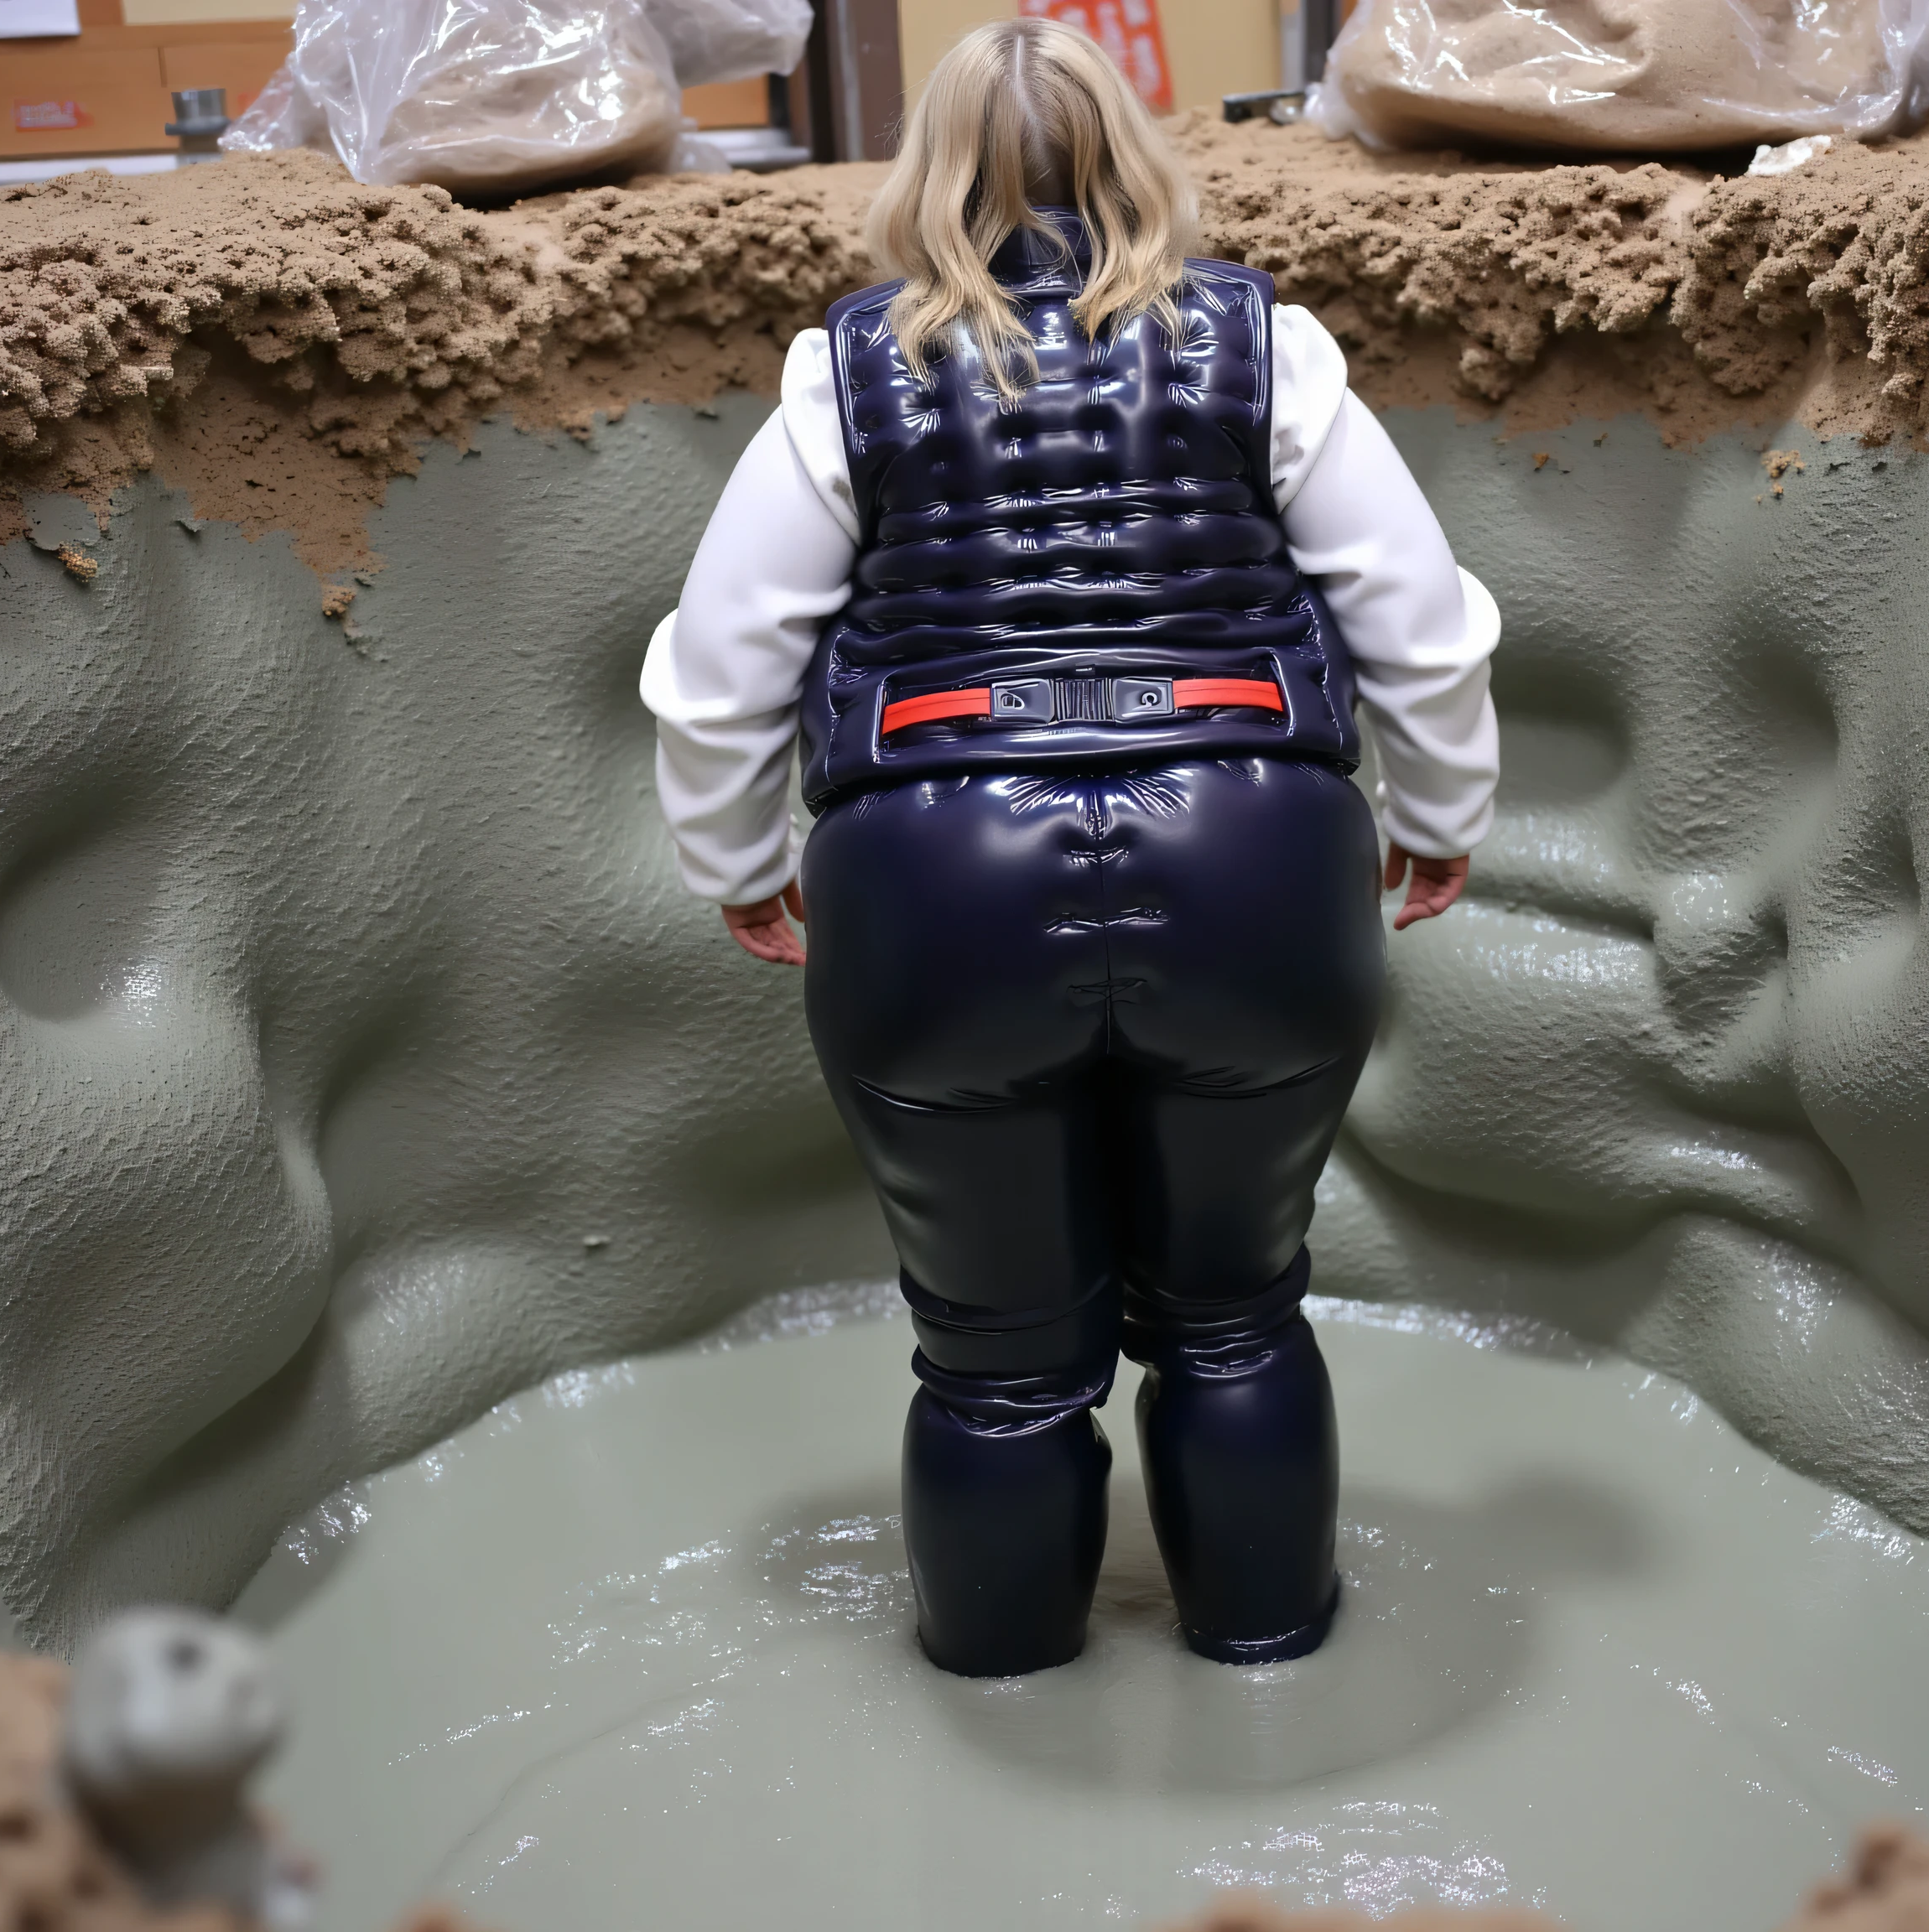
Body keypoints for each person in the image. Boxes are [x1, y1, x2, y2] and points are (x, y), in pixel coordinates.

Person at [640, 17, 1499, 1679]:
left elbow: (722, 663)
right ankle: (1263, 1644)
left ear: (928, 170)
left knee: (991, 1361)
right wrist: (1443, 815)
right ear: (1137, 151)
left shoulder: (849, 371)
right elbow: (1418, 622)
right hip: (1254, 860)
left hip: (934, 891)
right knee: (1237, 1318)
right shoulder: (1269, 348)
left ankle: (1007, 1678)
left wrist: (736, 859)